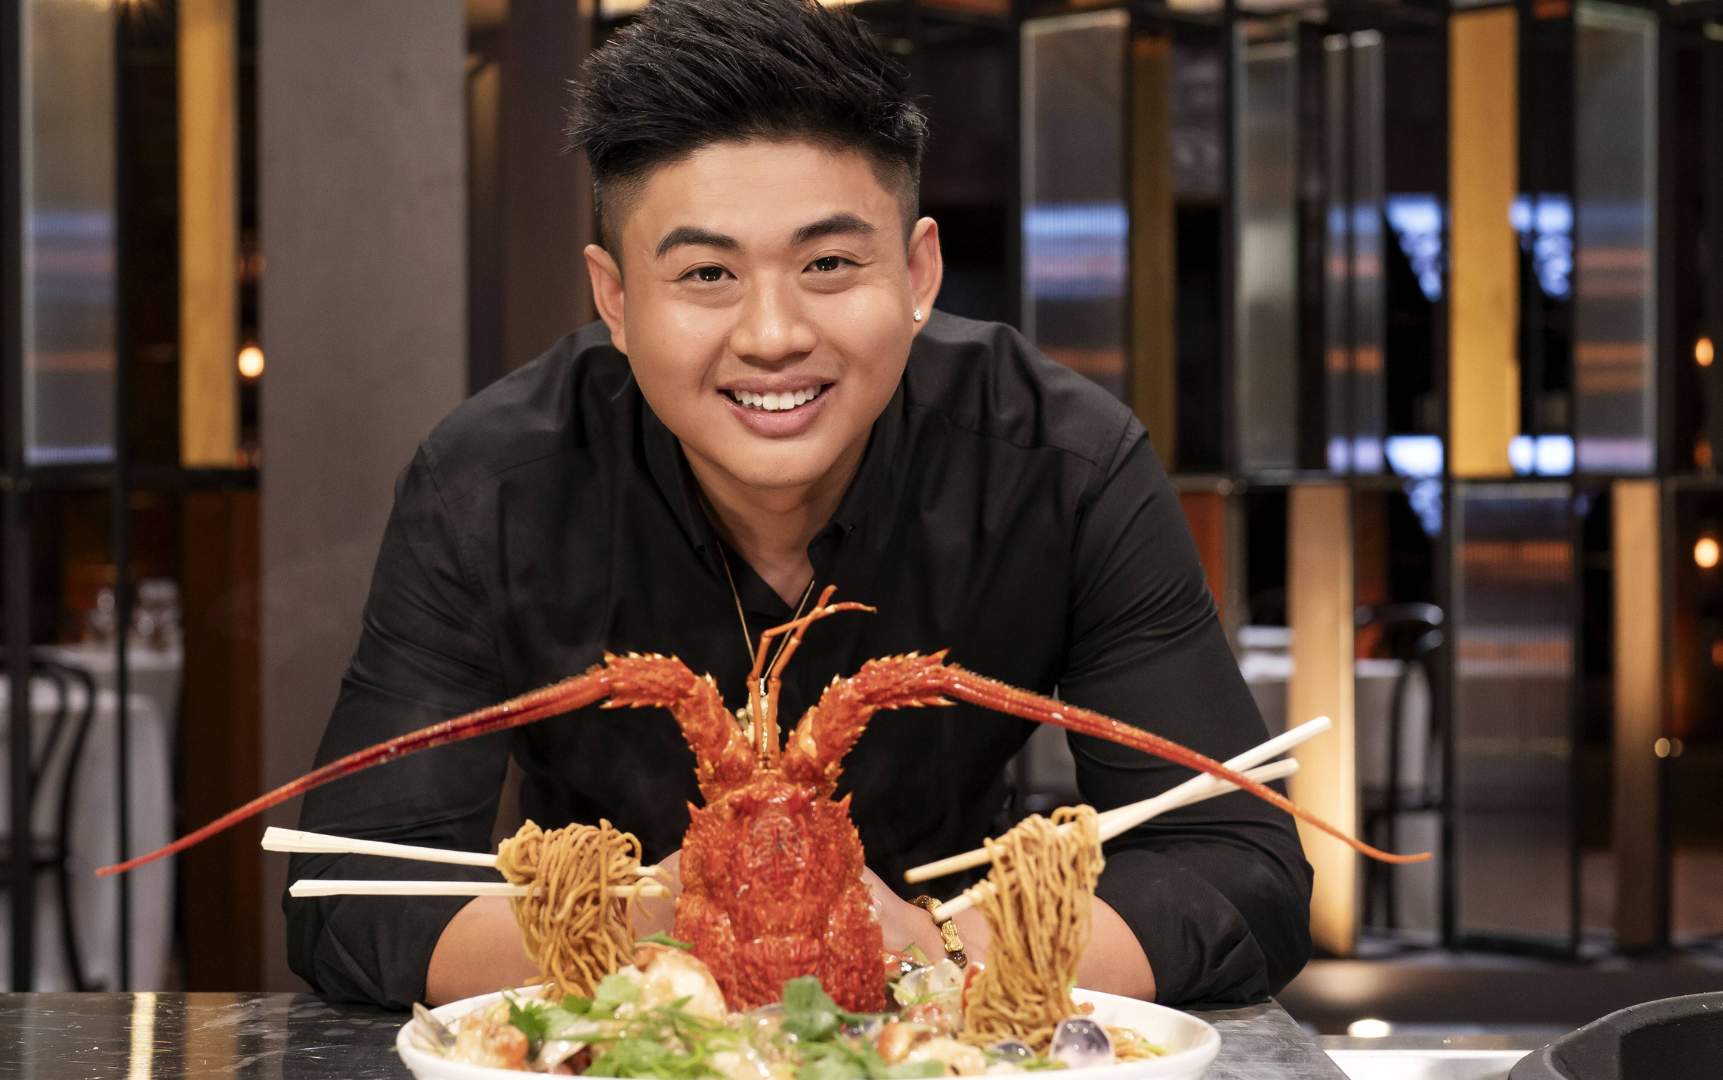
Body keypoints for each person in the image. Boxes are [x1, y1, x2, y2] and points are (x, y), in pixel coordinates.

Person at [287, 0, 1309, 1013]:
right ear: (615, 299)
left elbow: (1241, 869)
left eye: (828, 263)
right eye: (705, 273)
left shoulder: (1064, 463)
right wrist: (649, 921)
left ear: (917, 272)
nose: (772, 334)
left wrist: (936, 945)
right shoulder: (489, 485)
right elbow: (354, 886)